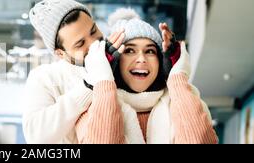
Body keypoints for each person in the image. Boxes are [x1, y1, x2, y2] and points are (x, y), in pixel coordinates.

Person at [23, 0, 174, 144]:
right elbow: (35, 136)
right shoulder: (44, 77)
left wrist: (168, 69)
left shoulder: (114, 55)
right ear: (61, 53)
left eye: (93, 30)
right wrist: (89, 85)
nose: (94, 42)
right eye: (80, 43)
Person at [75, 8, 218, 144]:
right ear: (115, 61)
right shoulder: (89, 110)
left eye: (150, 51)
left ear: (161, 62)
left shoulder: (188, 101)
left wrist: (177, 76)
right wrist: (104, 80)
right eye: (130, 50)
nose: (142, 59)